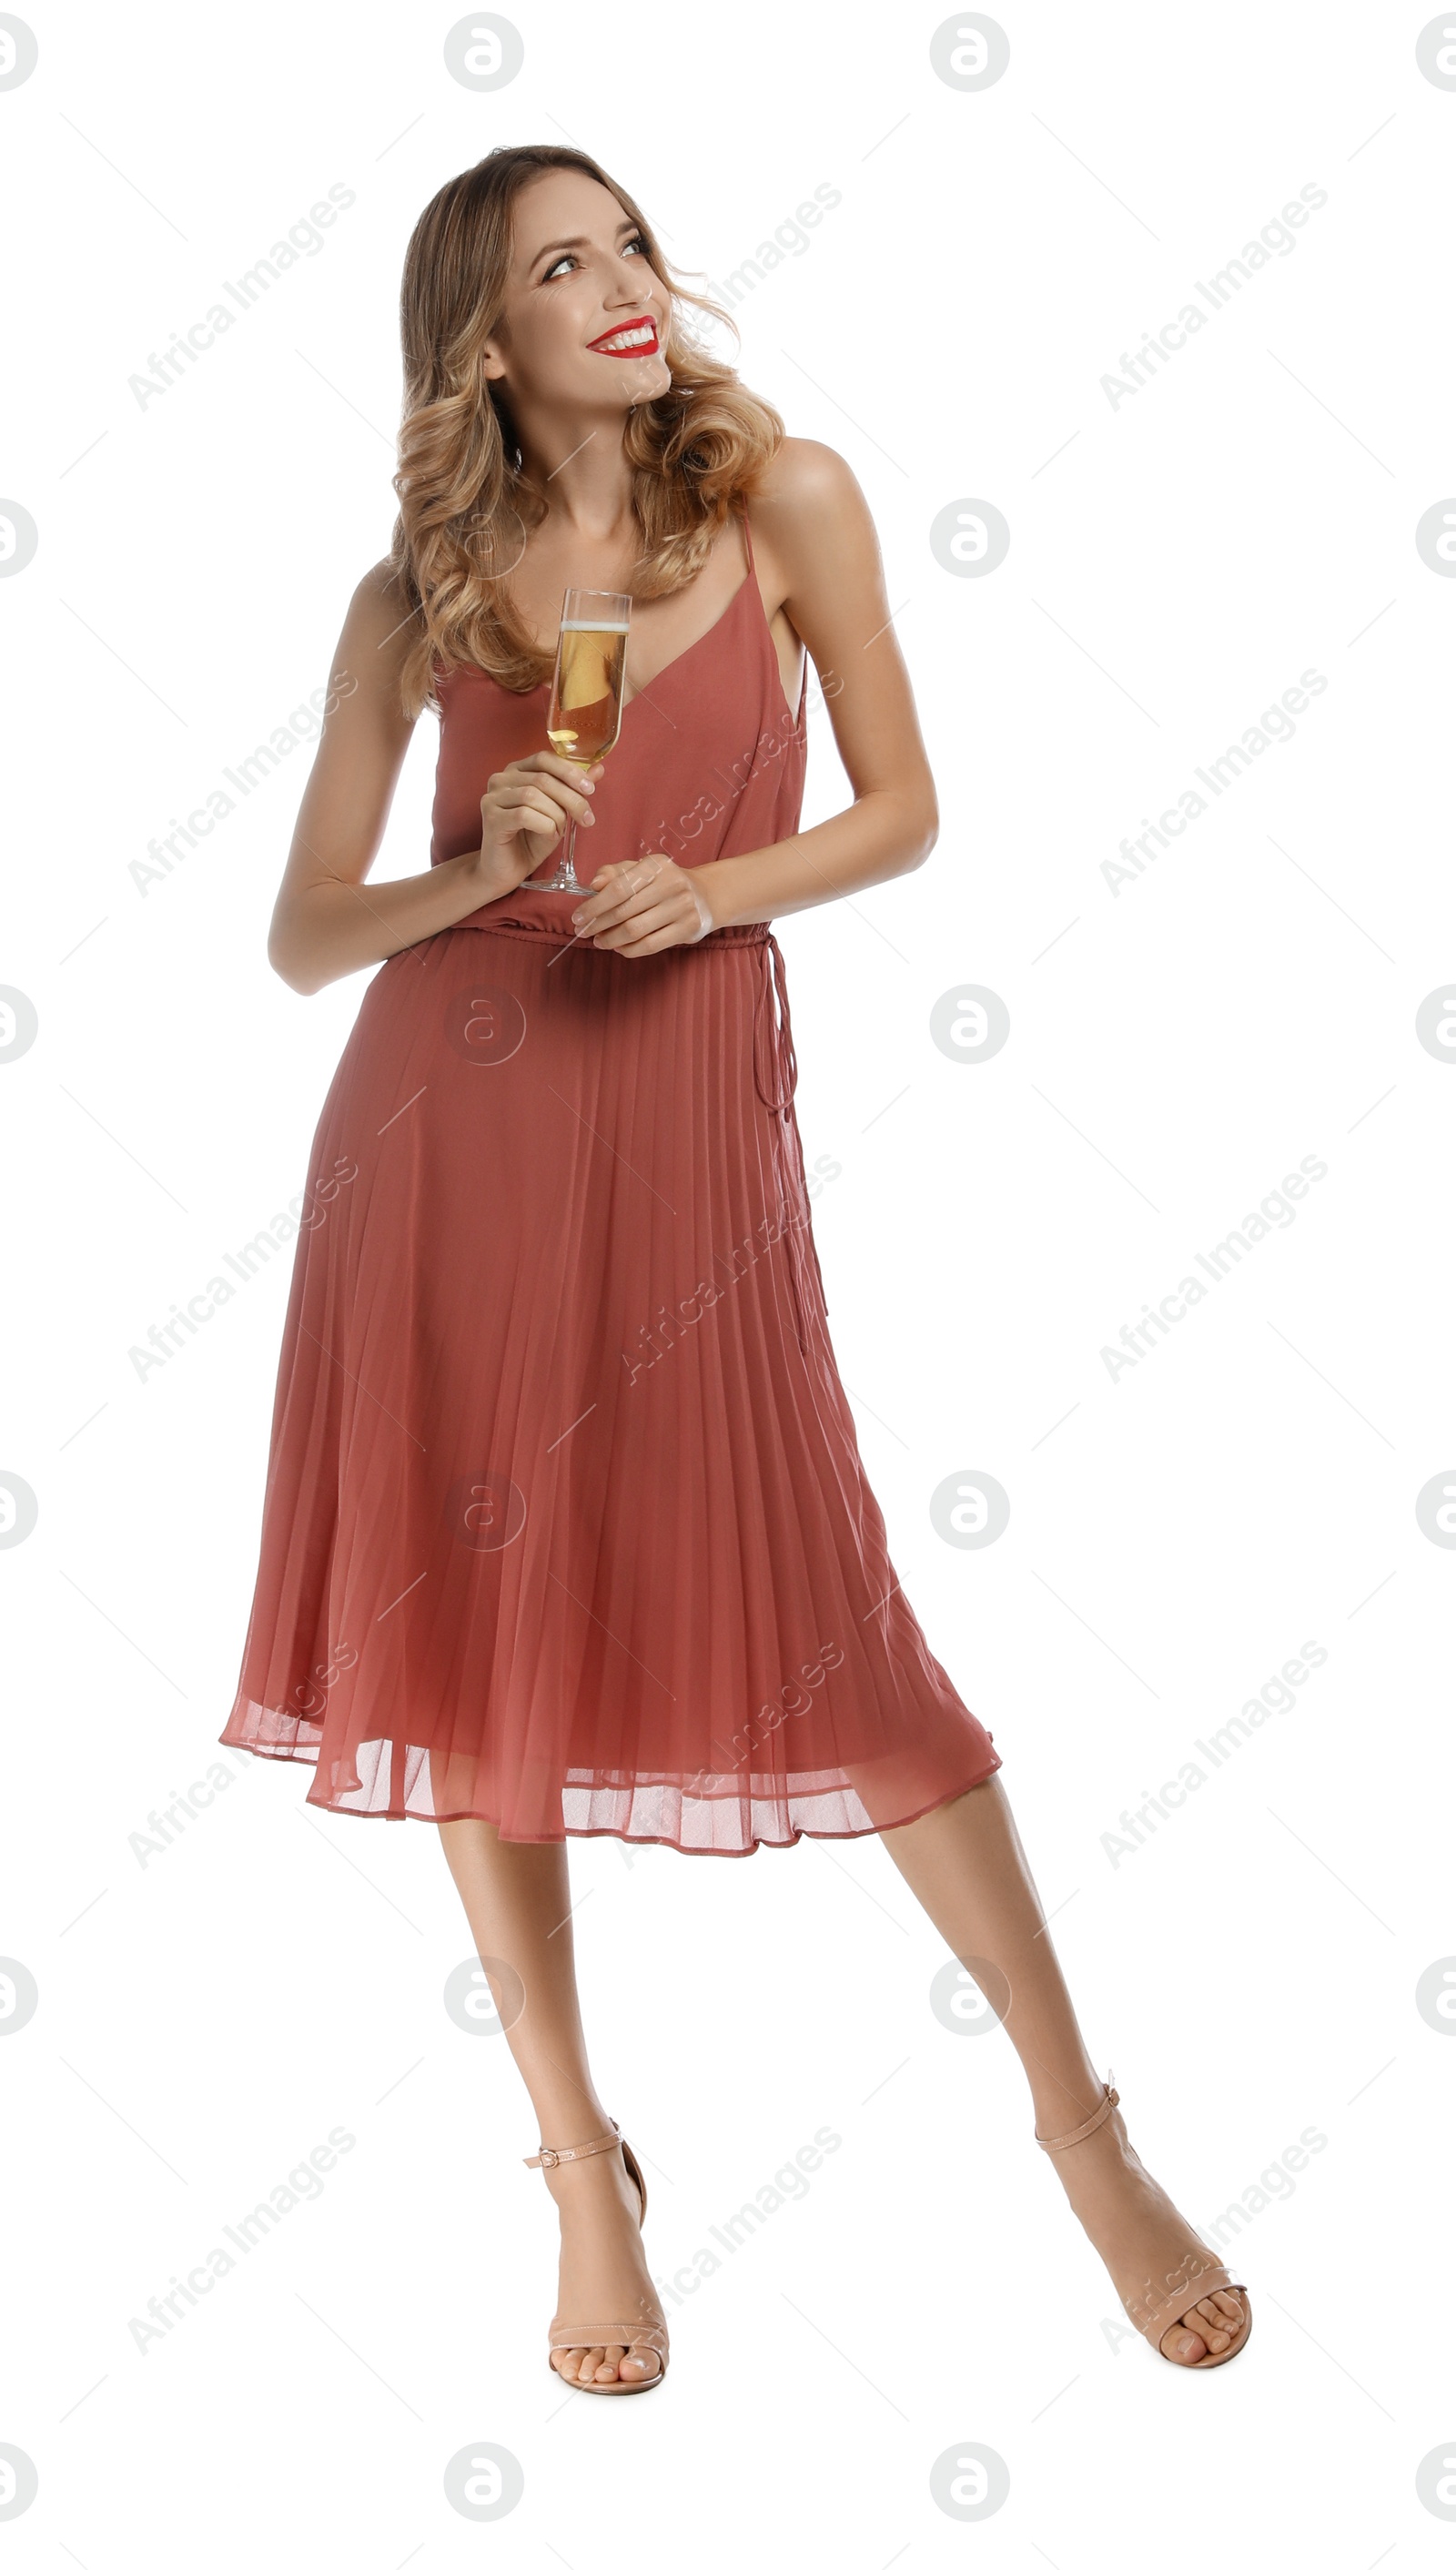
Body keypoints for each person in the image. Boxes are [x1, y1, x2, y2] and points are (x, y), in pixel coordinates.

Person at [218, 144, 1250, 2394]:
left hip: (683, 1120)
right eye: (553, 269)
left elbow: (902, 807)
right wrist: (463, 865)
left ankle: (1082, 2140)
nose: (618, 288)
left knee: (831, 1612)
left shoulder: (783, 498)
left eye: (629, 246)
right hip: (446, 1137)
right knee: (474, 1642)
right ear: (480, 342)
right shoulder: (421, 596)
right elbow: (305, 940)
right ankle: (579, 2170)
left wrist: (724, 887)